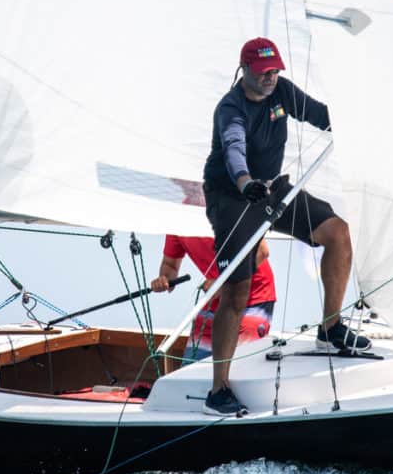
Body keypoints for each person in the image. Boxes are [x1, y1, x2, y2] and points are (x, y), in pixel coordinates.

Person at [200, 36, 370, 416]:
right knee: (237, 291)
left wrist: (354, 123)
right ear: (244, 71)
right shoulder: (230, 108)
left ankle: (330, 328)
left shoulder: (282, 92)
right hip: (233, 196)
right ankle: (218, 390)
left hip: (273, 189)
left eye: (275, 70)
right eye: (262, 73)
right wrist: (247, 184)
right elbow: (233, 150)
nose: (270, 78)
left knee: (337, 233)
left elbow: (318, 113)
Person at [150, 235, 275, 363]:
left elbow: (262, 251)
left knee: (238, 369)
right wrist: (164, 279)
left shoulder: (226, 214)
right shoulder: (175, 223)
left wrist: (224, 283)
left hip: (253, 296)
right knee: (191, 372)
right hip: (216, 294)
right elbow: (170, 265)